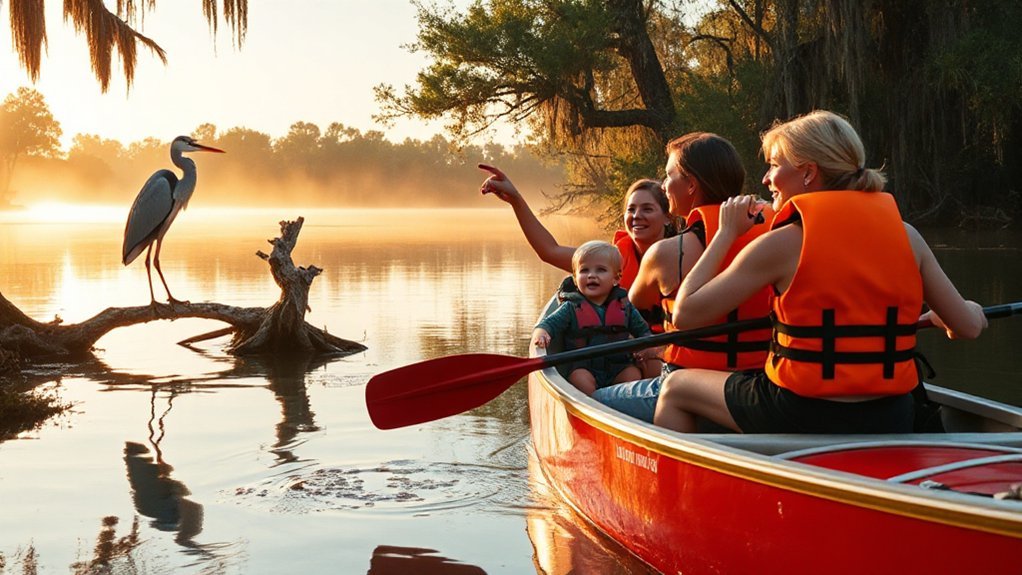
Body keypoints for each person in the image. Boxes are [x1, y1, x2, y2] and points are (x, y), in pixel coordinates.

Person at [657, 110, 988, 434]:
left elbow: (686, 315)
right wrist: (963, 310)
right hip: (891, 413)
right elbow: (969, 327)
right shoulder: (908, 235)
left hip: (800, 411)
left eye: (774, 165)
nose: (766, 179)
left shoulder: (782, 243)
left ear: (808, 173)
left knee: (674, 388)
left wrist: (725, 233)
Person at [592, 133, 774, 422]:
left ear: (691, 184)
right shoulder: (776, 232)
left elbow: (635, 305)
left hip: (682, 385)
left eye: (669, 176)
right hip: (758, 383)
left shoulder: (665, 253)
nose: (664, 186)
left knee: (595, 399)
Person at [479, 164, 675, 375]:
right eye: (631, 209)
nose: (636, 216)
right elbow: (549, 251)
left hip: (666, 352)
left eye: (647, 209)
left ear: (668, 217)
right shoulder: (607, 262)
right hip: (619, 359)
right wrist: (515, 199)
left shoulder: (684, 256)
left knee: (654, 362)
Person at [532, 240, 652, 395]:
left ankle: (620, 403)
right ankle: (592, 400)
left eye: (601, 270)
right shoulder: (571, 307)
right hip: (584, 367)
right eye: (584, 270)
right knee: (579, 378)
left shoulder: (625, 306)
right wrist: (541, 333)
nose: (591, 275)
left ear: (616, 278)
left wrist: (646, 347)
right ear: (575, 279)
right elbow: (548, 324)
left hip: (619, 366)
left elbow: (643, 331)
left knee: (633, 375)